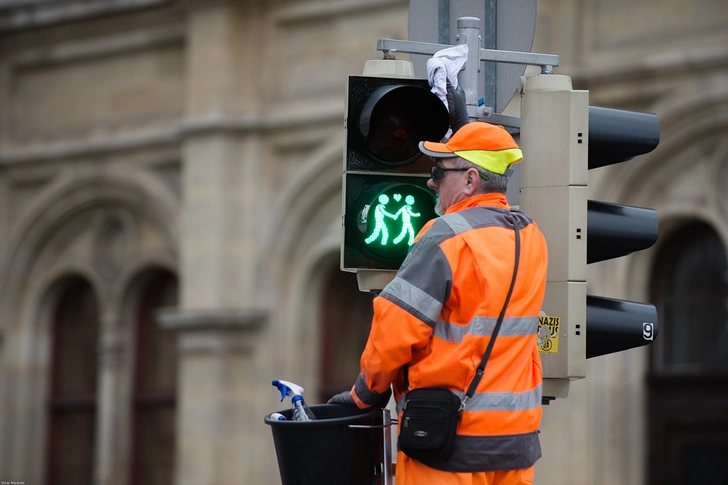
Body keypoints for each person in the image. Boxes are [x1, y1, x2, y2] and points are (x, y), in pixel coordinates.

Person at [329, 119, 549, 485]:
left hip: (449, 439)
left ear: (470, 180)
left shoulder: (446, 237)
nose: (431, 181)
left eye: (438, 171)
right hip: (516, 443)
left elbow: (395, 328)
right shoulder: (531, 237)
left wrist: (363, 396)